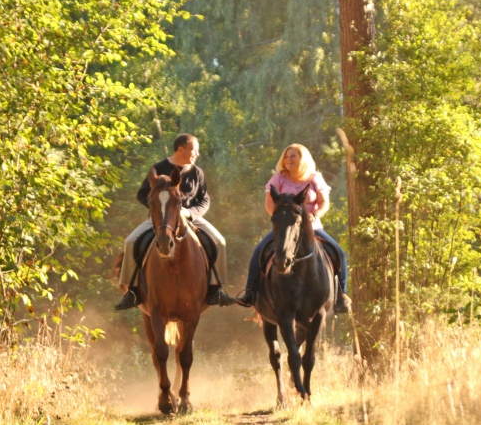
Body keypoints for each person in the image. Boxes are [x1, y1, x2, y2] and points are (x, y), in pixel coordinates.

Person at [115, 133, 235, 309]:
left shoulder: (197, 172)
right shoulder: (157, 168)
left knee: (220, 242)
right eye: (194, 151)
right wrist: (159, 210)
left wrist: (190, 213)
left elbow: (204, 200)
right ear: (181, 149)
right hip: (163, 219)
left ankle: (215, 289)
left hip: (191, 218)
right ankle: (132, 292)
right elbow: (142, 194)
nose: (197, 155)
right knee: (130, 241)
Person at [235, 143, 351, 313]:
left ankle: (341, 296)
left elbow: (324, 202)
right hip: (285, 228)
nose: (288, 159)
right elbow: (269, 203)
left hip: (311, 226)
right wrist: (280, 219)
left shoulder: (314, 178)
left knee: (338, 252)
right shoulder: (278, 178)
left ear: (302, 158)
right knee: (259, 250)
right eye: (286, 156)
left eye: (293, 156)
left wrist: (315, 214)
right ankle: (250, 293)